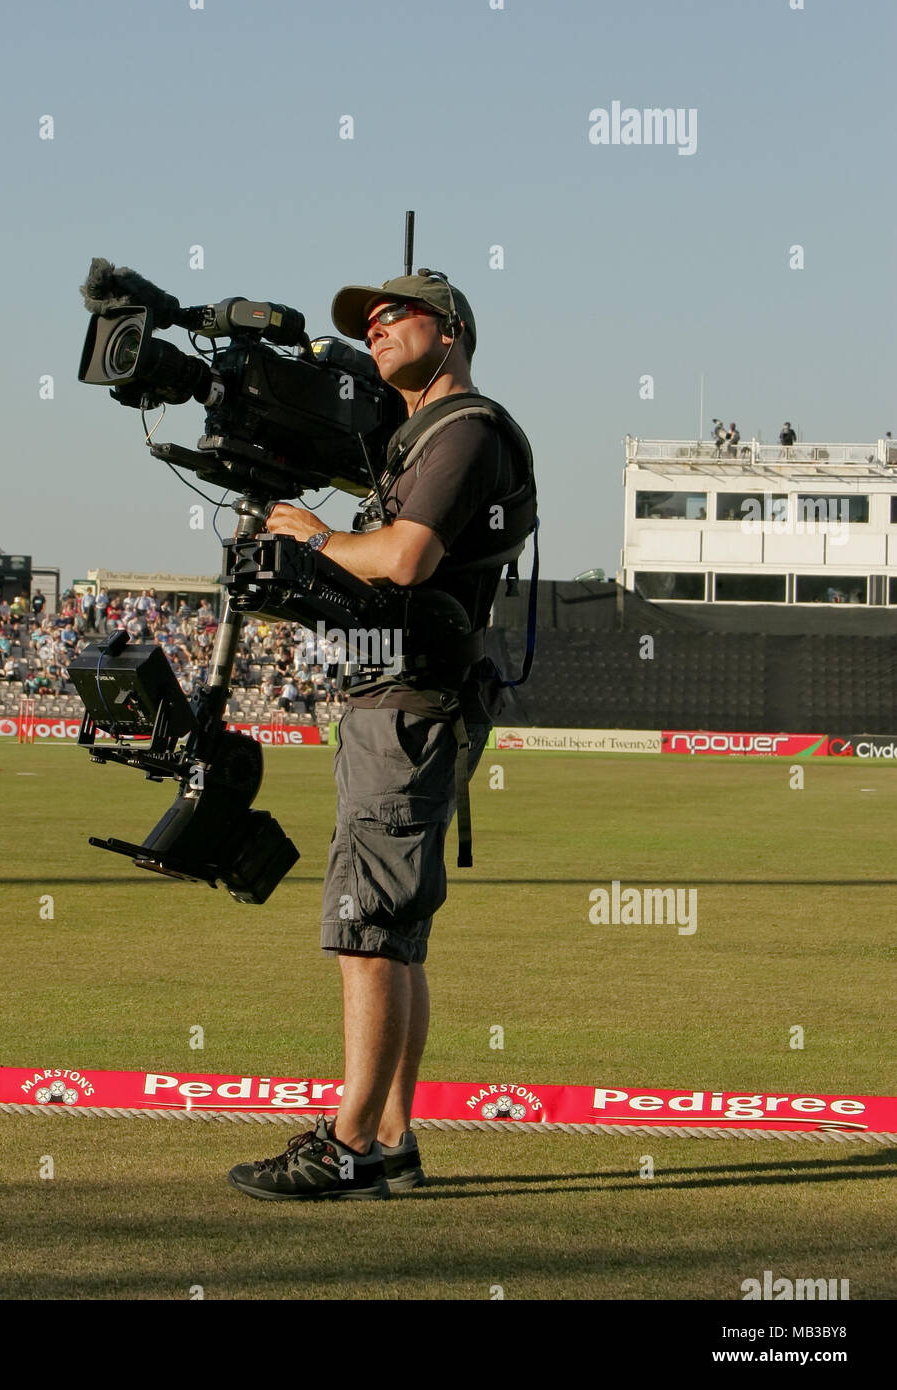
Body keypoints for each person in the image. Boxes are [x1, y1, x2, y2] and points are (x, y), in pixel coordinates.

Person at [226, 271, 536, 1200]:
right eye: (367, 323)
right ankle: (391, 1140)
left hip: (409, 704)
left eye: (392, 314)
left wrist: (315, 540)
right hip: (406, 702)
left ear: (451, 330)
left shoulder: (464, 427)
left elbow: (404, 555)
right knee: (395, 930)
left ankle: (348, 1143)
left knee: (365, 926)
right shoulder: (422, 437)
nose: (374, 329)